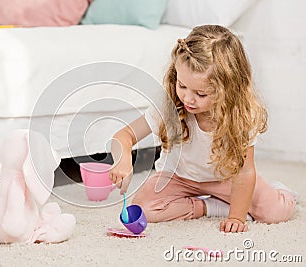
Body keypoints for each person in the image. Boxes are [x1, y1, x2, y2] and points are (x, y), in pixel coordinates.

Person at [109, 25, 297, 233]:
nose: (188, 99)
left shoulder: (242, 115)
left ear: (228, 90)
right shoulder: (168, 104)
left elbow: (244, 172)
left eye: (201, 93)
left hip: (226, 180)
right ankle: (210, 206)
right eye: (182, 86)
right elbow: (124, 136)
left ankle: (279, 191)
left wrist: (236, 216)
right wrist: (123, 158)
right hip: (178, 178)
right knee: (144, 208)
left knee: (275, 212)